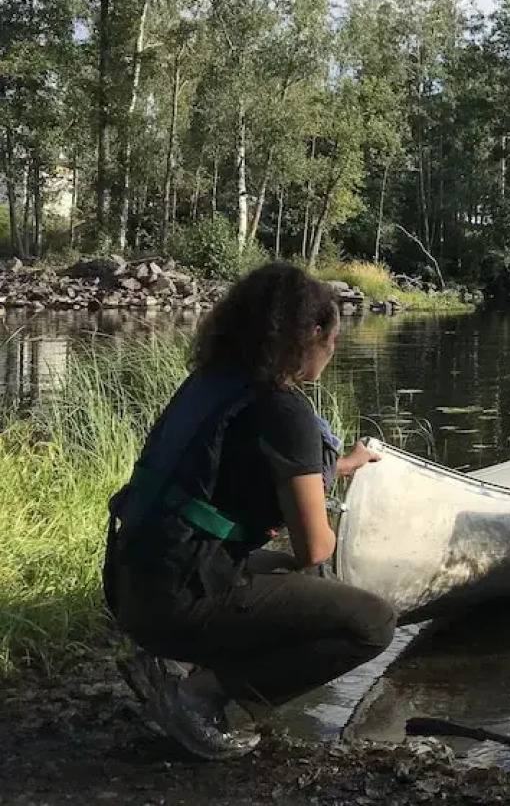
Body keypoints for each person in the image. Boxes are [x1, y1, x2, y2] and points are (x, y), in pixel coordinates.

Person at [102, 262, 396, 761]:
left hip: (129, 580)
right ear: (313, 334)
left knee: (281, 574)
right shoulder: (287, 413)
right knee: (372, 622)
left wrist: (339, 466)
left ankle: (179, 670)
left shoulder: (211, 384)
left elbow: (224, 475)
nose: (333, 352)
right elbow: (314, 548)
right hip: (172, 605)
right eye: (332, 338)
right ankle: (200, 697)